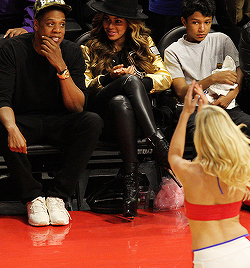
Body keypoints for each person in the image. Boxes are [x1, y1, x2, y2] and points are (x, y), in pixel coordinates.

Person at [0, 0, 103, 226]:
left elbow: (78, 107)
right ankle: (32, 197)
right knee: (1, 127)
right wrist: (12, 128)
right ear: (36, 25)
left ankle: (58, 196)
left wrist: (61, 67)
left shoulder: (71, 52)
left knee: (92, 121)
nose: (57, 31)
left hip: (59, 121)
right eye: (50, 24)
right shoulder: (12, 49)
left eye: (61, 25)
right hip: (23, 120)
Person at [81, 0, 173, 218]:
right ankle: (159, 144)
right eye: (107, 20)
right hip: (103, 120)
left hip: (136, 120)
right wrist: (108, 78)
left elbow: (165, 78)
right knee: (125, 85)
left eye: (118, 21)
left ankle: (130, 183)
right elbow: (83, 88)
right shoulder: (89, 46)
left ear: (131, 24)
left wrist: (140, 82)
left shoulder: (144, 44)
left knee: (121, 100)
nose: (110, 26)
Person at [164, 0, 250, 213]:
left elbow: (241, 68)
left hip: (227, 105)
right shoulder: (173, 50)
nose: (202, 28)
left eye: (206, 22)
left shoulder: (221, 39)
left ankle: (247, 186)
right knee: (204, 134)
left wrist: (233, 93)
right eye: (196, 23)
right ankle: (213, 186)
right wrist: (212, 78)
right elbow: (180, 91)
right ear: (184, 22)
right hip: (196, 109)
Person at [168, 80, 250, 267]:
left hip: (209, 258)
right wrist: (207, 113)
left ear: (199, 137)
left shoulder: (190, 172)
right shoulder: (240, 169)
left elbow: (174, 154)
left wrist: (186, 113)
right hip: (245, 252)